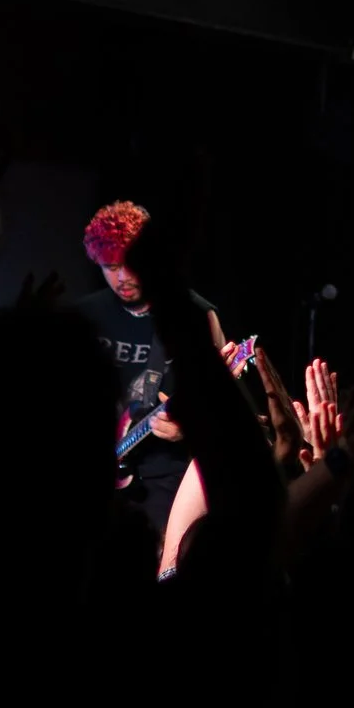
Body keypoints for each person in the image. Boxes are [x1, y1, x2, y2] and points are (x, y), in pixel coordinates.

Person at [72, 199, 231, 538]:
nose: (123, 277)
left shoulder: (195, 316)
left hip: (165, 480)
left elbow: (226, 411)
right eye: (110, 267)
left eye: (131, 264)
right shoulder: (83, 317)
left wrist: (188, 431)